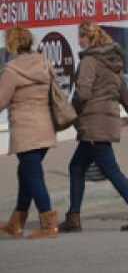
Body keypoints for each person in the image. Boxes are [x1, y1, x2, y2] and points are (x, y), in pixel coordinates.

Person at [58, 21, 128, 233]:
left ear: (89, 39)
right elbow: (124, 94)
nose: (78, 40)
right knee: (77, 167)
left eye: (80, 36)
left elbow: (82, 93)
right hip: (105, 123)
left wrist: (71, 112)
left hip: (93, 125)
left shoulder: (90, 61)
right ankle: (74, 217)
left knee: (111, 171)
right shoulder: (112, 62)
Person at [0, 27, 59, 239]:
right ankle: (17, 222)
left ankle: (49, 223)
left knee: (32, 175)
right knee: (25, 172)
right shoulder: (44, 63)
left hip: (26, 132)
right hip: (45, 129)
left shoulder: (12, 70)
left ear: (12, 44)